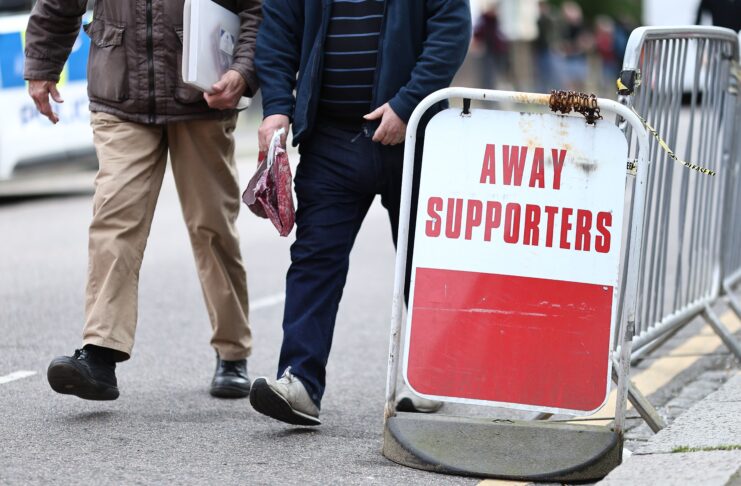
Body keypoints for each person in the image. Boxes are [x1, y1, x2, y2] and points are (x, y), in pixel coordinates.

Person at [24, 0, 262, 401]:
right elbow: (58, 3)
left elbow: (257, 8)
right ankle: (100, 353)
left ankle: (232, 350)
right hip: (121, 97)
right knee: (114, 216)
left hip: (202, 98)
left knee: (212, 225)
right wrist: (42, 68)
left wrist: (242, 71)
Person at [249, 0, 471, 426]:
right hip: (331, 138)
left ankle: (429, 380)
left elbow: (451, 31)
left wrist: (408, 104)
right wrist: (277, 104)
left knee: (423, 262)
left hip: (414, 134)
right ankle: (300, 383)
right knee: (314, 260)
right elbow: (276, 34)